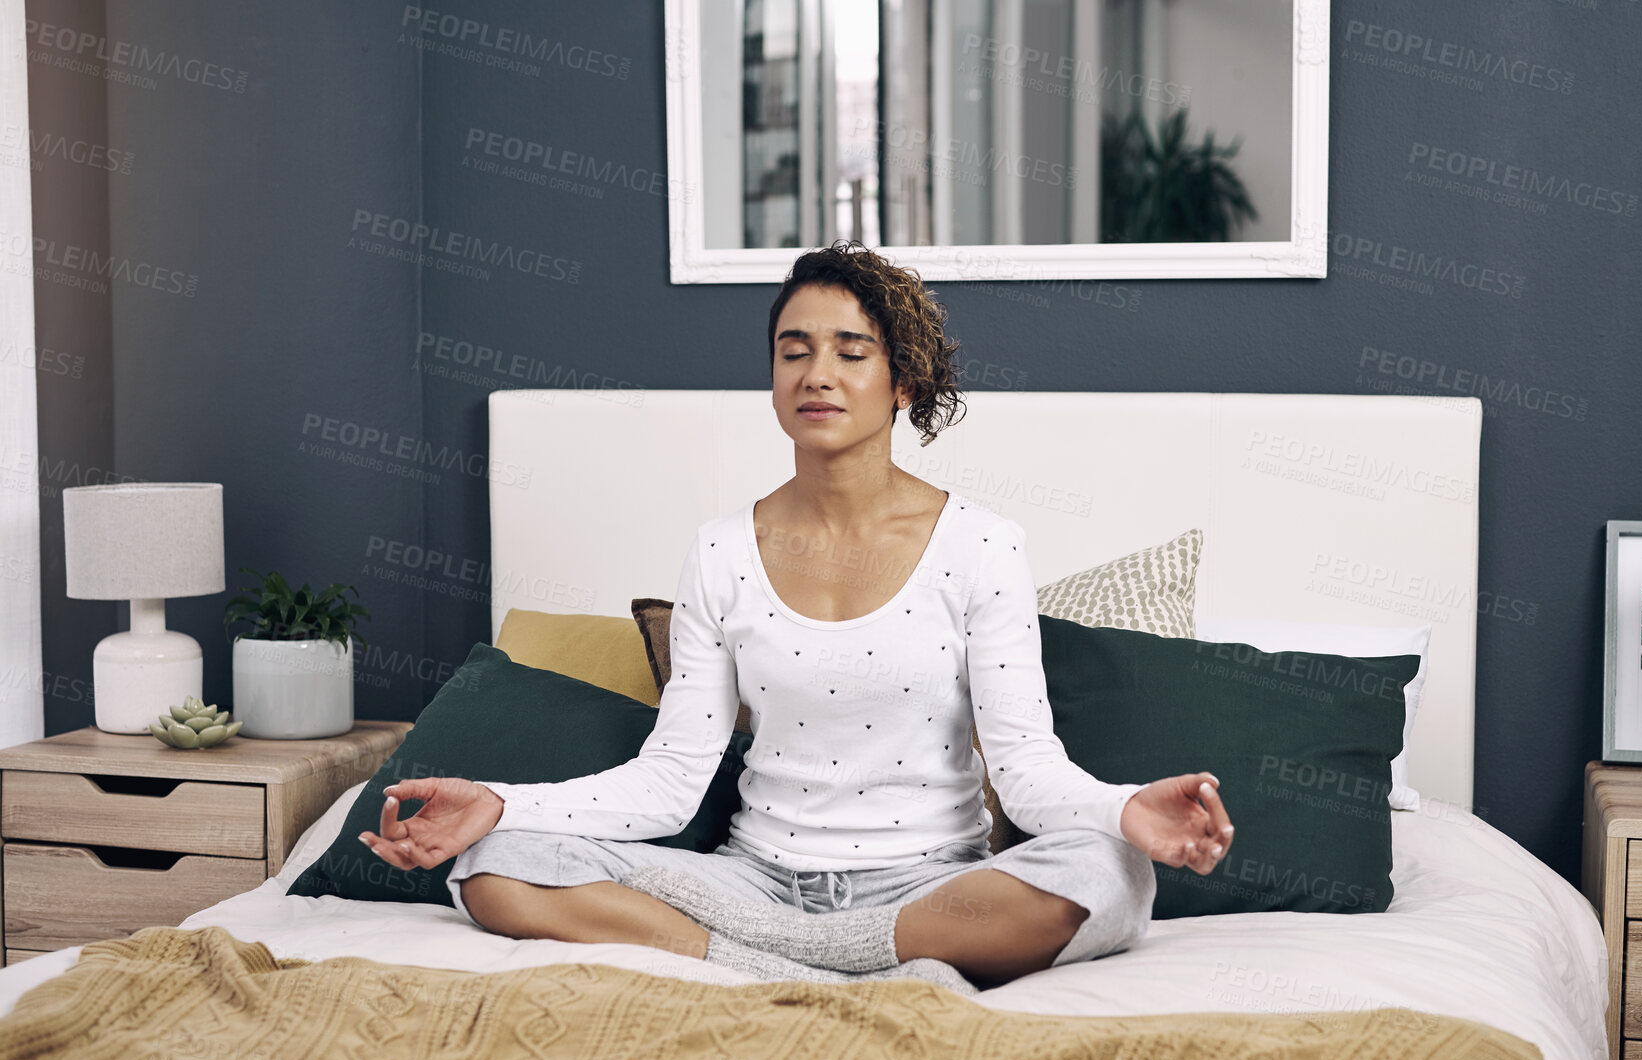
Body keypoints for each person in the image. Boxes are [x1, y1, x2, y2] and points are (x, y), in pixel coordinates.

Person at [360, 240, 1233, 994]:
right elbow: (668, 781)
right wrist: (501, 805)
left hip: (932, 891)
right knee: (493, 868)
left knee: (1108, 874)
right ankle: (831, 969)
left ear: (904, 381)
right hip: (754, 884)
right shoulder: (720, 551)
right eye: (794, 351)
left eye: (852, 351)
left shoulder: (983, 546)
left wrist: (1124, 811)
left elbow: (1028, 770)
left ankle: (780, 962)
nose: (817, 374)